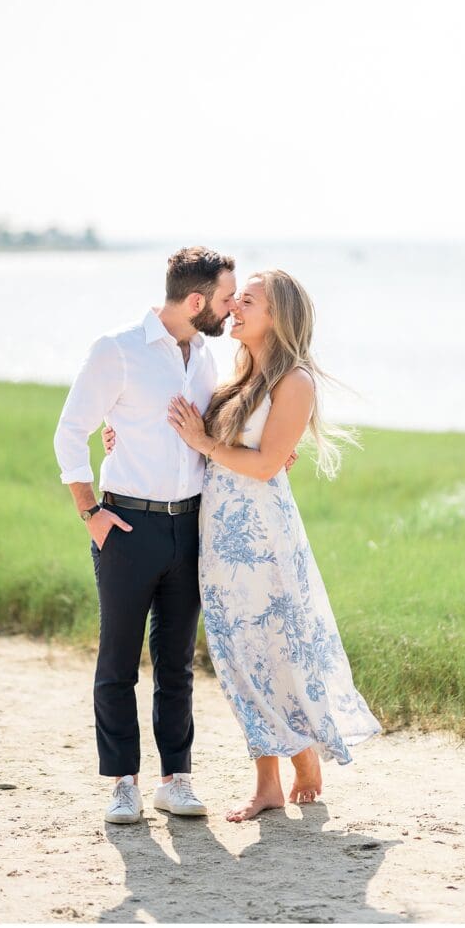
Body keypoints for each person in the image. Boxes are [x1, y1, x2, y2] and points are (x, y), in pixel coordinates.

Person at [107, 269, 382, 822]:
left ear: (277, 316)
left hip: (261, 540)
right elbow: (191, 433)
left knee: (271, 650)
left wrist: (206, 442)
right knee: (237, 657)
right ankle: (272, 782)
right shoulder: (239, 371)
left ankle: (295, 764)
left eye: (246, 302)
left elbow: (262, 464)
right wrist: (122, 434)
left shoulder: (294, 380)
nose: (232, 308)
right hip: (217, 535)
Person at [53, 246, 237, 824]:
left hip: (191, 526)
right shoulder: (118, 350)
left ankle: (175, 779)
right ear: (196, 300)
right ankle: (122, 783)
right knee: (117, 662)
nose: (232, 310)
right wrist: (91, 514)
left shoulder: (207, 356)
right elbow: (69, 434)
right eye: (226, 299)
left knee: (177, 662)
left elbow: (215, 428)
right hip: (127, 527)